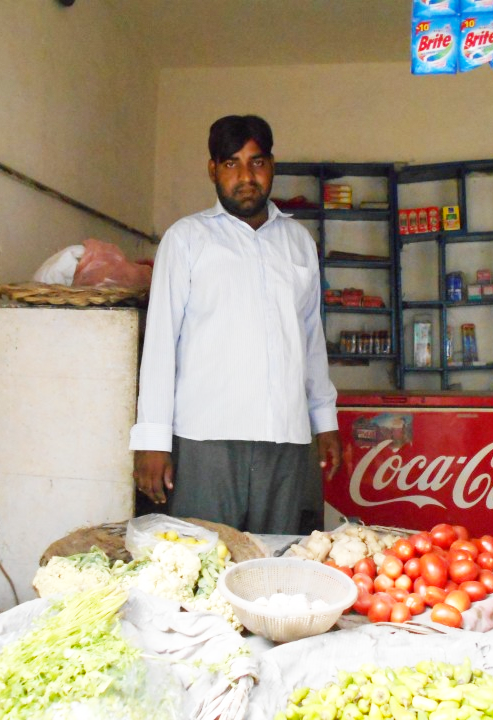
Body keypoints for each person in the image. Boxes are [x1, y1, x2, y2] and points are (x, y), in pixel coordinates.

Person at [128, 114, 341, 535]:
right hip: (206, 440)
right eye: (231, 164)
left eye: (257, 162)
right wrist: (152, 439)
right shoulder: (186, 239)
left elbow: (311, 339)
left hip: (287, 438)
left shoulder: (299, 242)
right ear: (213, 169)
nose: (246, 176)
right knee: (201, 565)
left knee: (280, 569)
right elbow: (160, 343)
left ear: (272, 166)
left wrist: (326, 422)